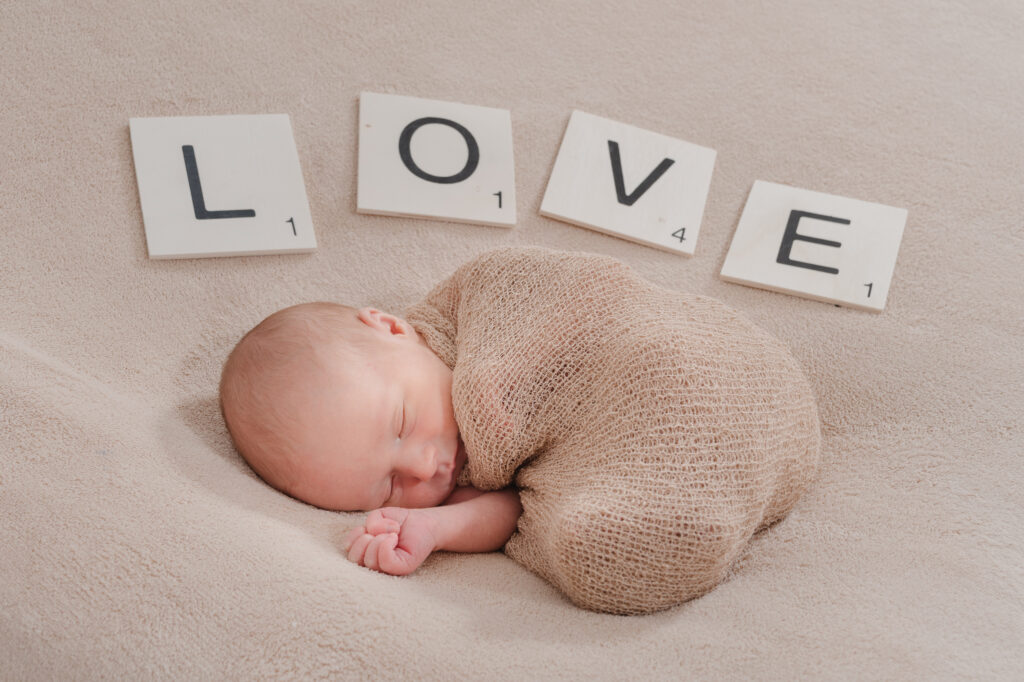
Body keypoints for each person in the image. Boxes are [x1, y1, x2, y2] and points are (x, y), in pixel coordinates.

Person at [219, 302, 522, 576]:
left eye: (403, 424)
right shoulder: (455, 489)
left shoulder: (477, 314)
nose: (423, 469)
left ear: (392, 327)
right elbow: (515, 508)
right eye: (391, 487)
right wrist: (435, 527)